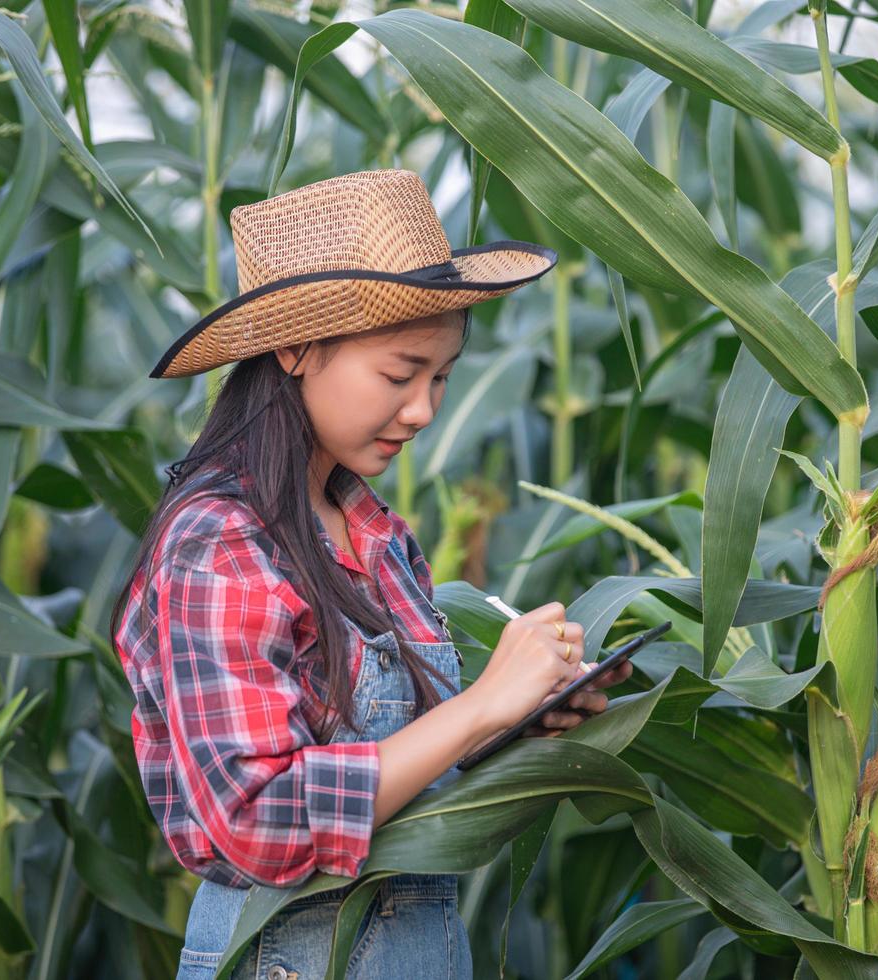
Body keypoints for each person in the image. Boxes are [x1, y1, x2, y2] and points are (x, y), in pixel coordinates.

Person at [111, 169, 633, 979]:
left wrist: (520, 718)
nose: (424, 409)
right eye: (400, 374)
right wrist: (477, 708)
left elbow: (402, 764)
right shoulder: (217, 543)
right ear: (294, 349)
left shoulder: (376, 536)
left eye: (442, 378)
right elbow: (254, 818)